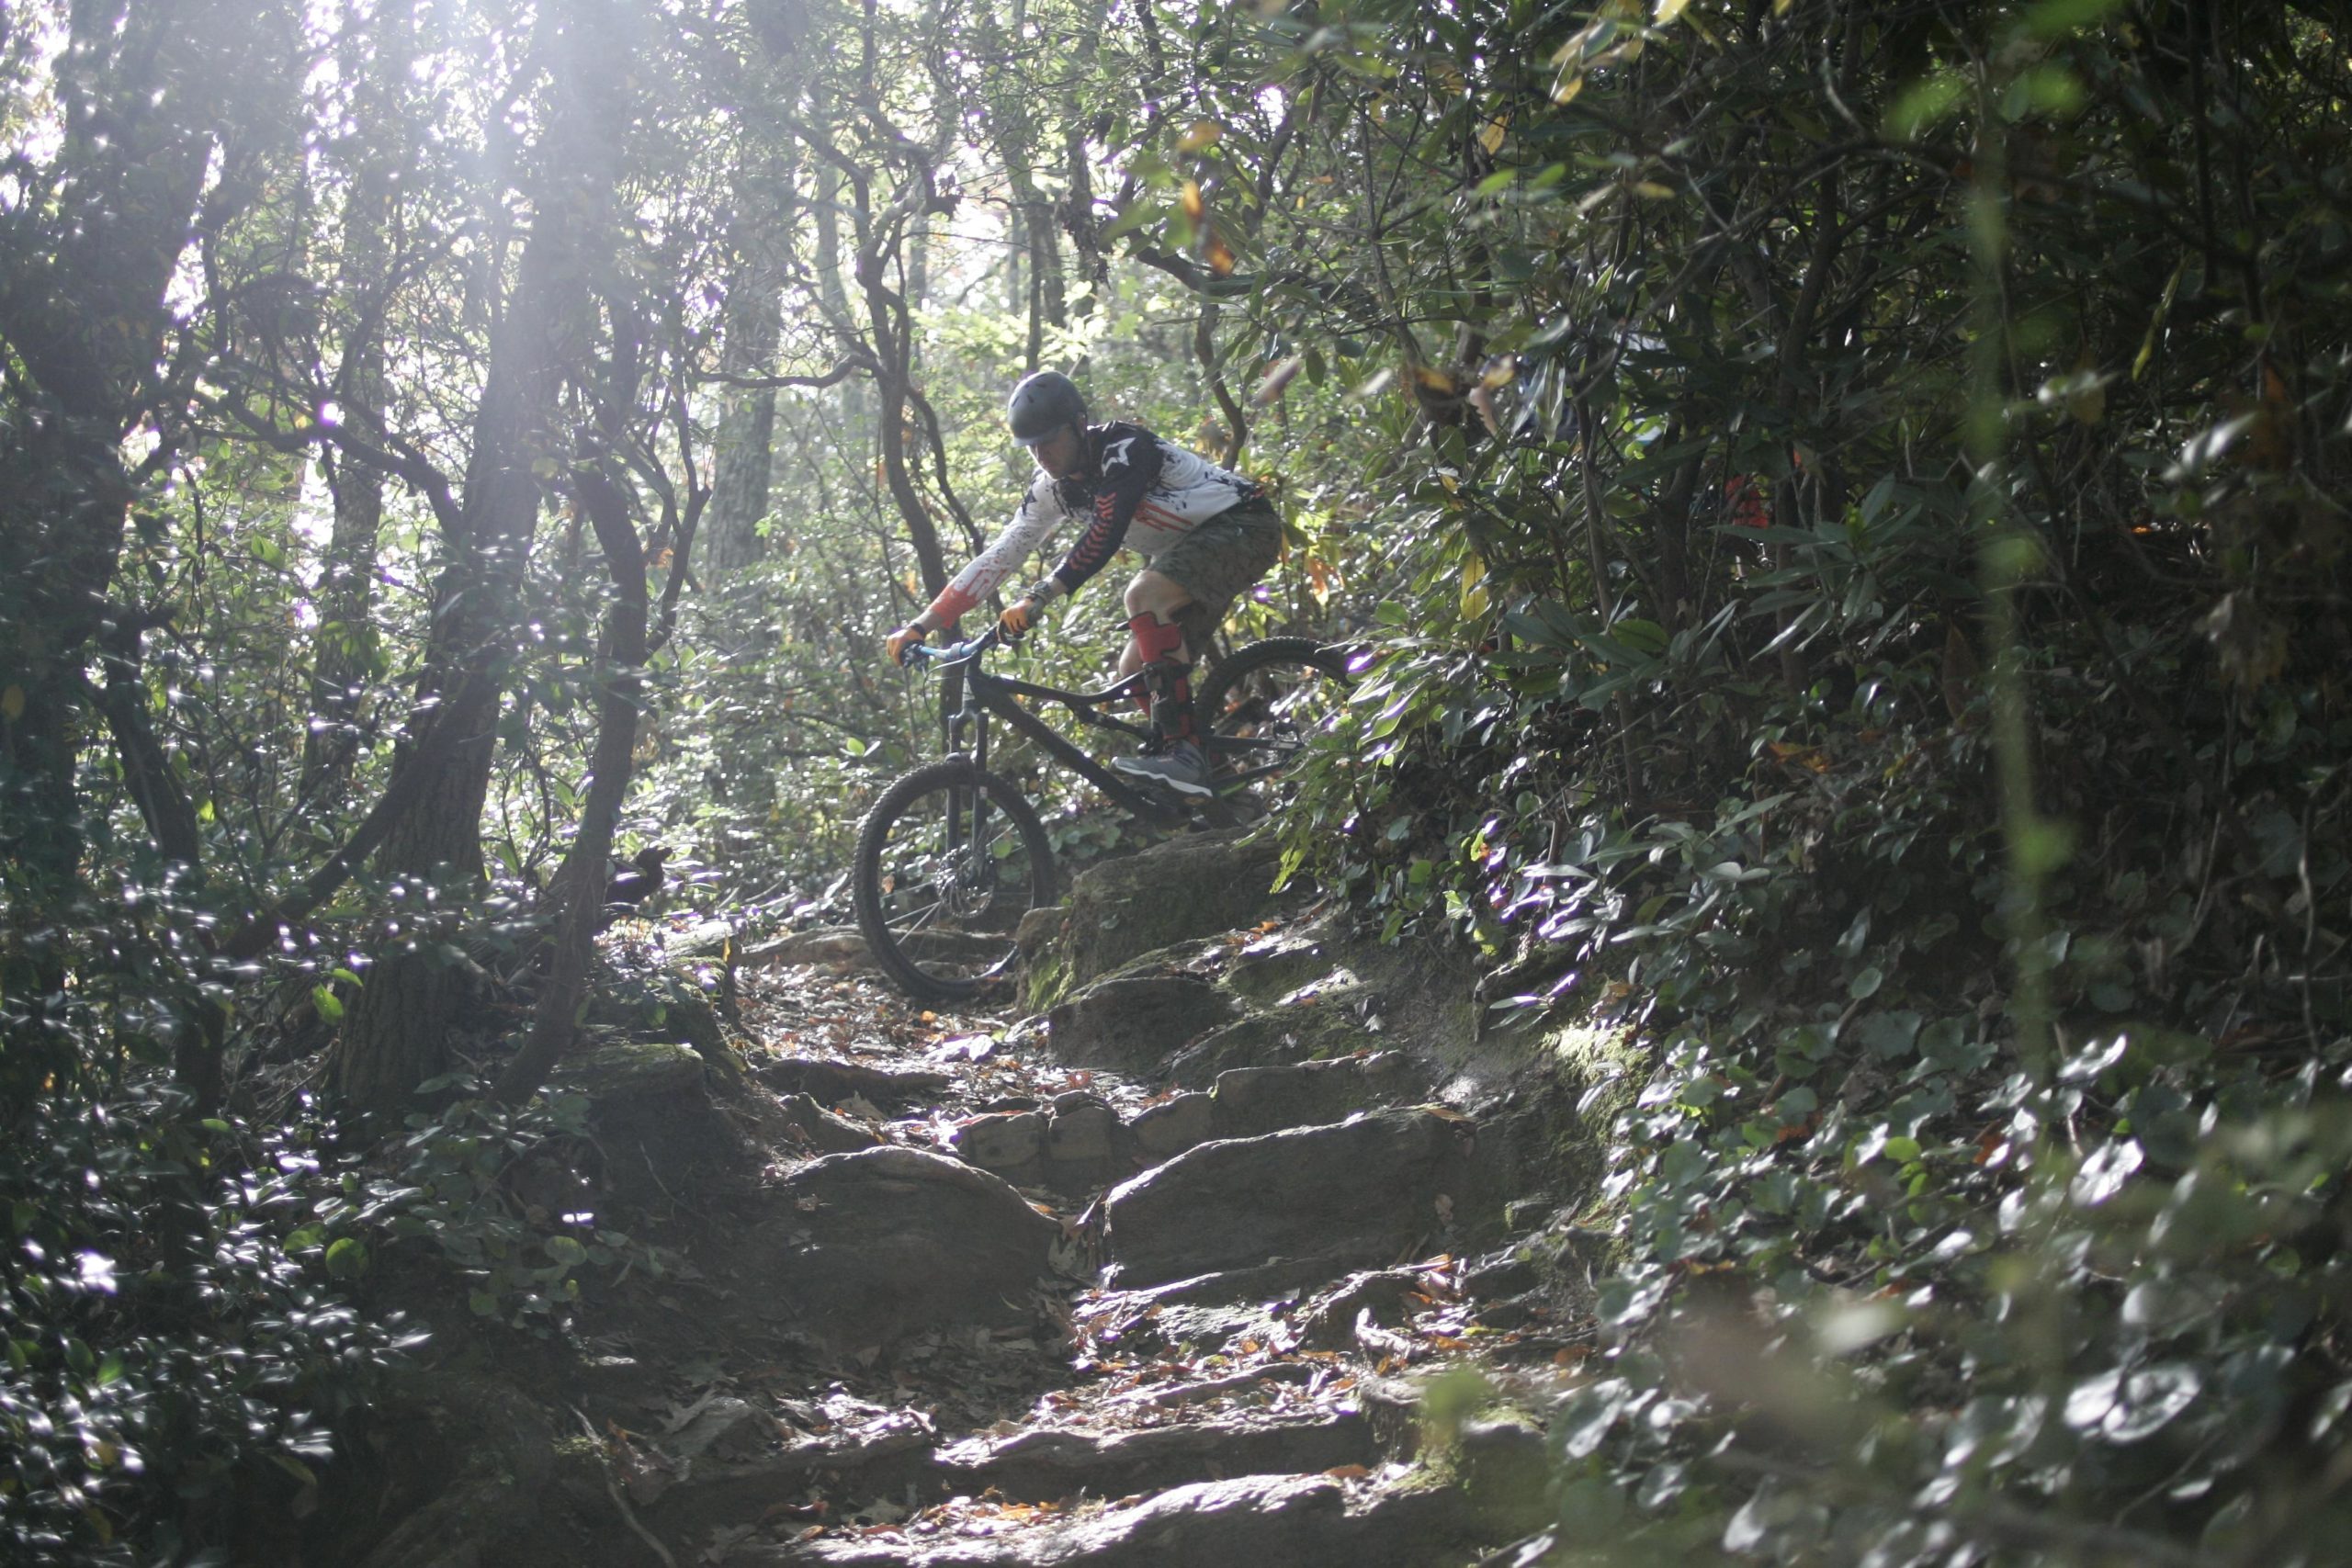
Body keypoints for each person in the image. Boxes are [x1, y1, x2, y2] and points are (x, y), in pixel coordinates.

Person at [884, 371, 1283, 795]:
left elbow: (1106, 533)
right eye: (1032, 445)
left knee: (1143, 595)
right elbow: (1001, 555)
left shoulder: (1125, 449)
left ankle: (1182, 753)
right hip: (1190, 550)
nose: (1042, 454)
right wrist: (922, 624)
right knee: (1134, 671)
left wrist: (1039, 596)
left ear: (1078, 424)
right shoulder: (1051, 491)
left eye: (1050, 440)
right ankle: (1220, 788)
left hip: (1244, 524)